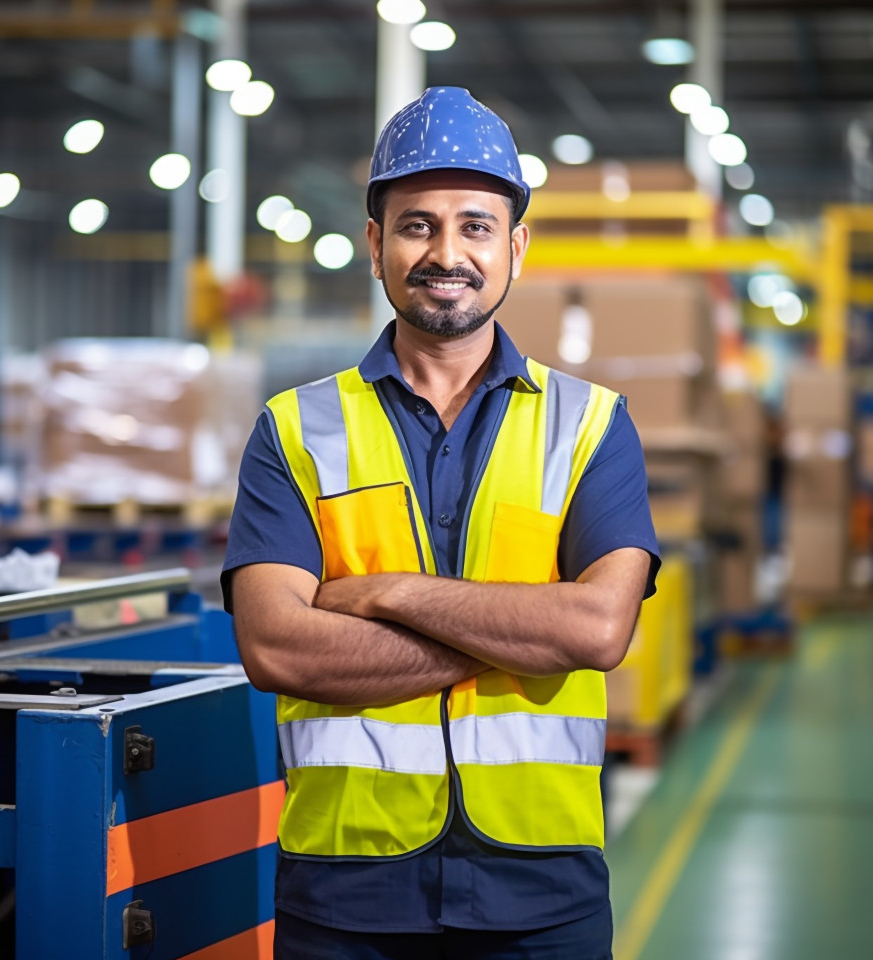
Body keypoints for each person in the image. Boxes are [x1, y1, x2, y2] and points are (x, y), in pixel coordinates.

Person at [222, 86, 660, 960]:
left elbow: (601, 628)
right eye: (418, 225)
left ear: (515, 247)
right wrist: (524, 631)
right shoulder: (294, 428)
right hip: (346, 890)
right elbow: (276, 648)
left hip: (543, 890)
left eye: (475, 225)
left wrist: (386, 593)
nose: (446, 252)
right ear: (376, 244)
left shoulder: (590, 425)